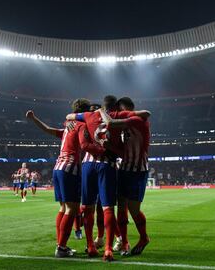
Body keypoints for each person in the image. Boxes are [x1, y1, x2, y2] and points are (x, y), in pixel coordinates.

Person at [66, 95, 150, 261]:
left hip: (133, 169)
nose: (119, 112)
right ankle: (117, 244)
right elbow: (120, 150)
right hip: (115, 167)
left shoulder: (129, 119)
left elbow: (72, 118)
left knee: (115, 208)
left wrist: (72, 120)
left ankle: (98, 243)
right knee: (112, 207)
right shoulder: (117, 115)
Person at [26, 98, 107, 258]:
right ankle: (61, 247)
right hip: (70, 169)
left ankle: (61, 245)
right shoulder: (82, 125)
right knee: (73, 209)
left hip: (58, 168)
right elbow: (84, 145)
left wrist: (34, 119)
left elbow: (48, 129)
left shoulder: (67, 126)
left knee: (63, 208)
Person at [98, 96, 151, 256]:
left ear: (128, 109)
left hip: (137, 171)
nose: (119, 113)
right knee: (121, 207)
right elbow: (123, 152)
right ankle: (124, 242)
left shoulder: (136, 120)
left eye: (121, 110)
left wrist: (101, 111)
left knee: (134, 209)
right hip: (125, 169)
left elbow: (110, 123)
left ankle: (144, 238)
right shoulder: (127, 128)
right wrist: (109, 146)